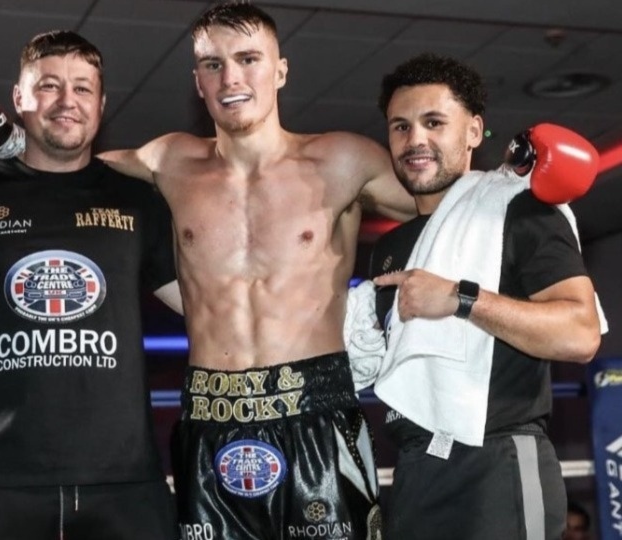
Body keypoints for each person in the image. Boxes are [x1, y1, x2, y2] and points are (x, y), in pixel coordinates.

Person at [96, 3, 416, 538]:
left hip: (318, 414)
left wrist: (516, 184)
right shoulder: (170, 161)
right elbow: (72, 170)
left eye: (248, 59)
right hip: (210, 419)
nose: (231, 78)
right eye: (213, 64)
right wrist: (4, 147)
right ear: (197, 80)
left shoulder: (343, 160)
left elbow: (443, 203)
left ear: (281, 70)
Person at [0, 30, 182, 539]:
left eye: (83, 89)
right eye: (48, 86)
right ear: (20, 99)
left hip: (124, 479)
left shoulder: (136, 198)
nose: (67, 101)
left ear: (102, 104)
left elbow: (213, 307)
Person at [363, 53, 602, 538]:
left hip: (498, 466)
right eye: (400, 127)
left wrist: (461, 298)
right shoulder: (390, 247)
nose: (416, 140)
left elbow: (580, 335)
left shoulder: (519, 210)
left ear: (473, 131)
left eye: (434, 122)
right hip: (415, 470)